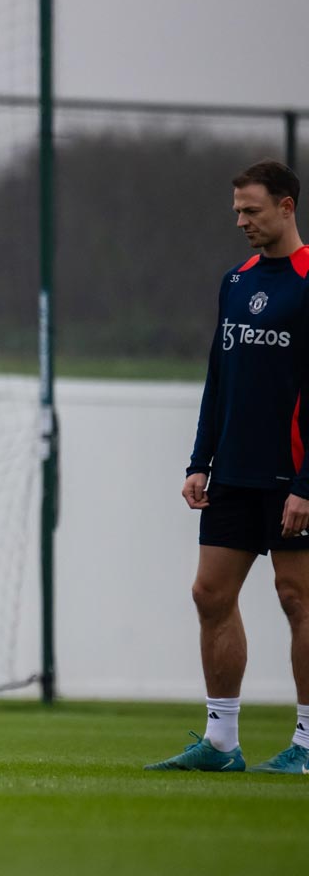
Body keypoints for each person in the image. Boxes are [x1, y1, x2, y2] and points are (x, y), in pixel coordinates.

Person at [148, 160, 309, 774]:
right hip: (234, 473)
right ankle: (221, 743)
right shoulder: (236, 281)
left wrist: (306, 486)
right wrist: (200, 462)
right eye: (237, 210)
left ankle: (306, 744)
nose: (241, 220)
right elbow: (219, 377)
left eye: (252, 210)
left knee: (297, 599)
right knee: (209, 594)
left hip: (294, 479)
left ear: (287, 206)